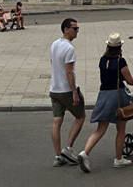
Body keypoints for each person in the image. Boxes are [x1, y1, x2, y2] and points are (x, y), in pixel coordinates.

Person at [77, 32, 133, 172]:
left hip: (103, 95)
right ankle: (119, 159)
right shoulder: (121, 61)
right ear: (120, 47)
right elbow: (130, 81)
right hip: (117, 96)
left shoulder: (102, 60)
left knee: (100, 129)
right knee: (121, 129)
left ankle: (84, 153)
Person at [50, 17, 84, 167]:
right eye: (75, 28)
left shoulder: (54, 44)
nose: (77, 31)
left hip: (54, 88)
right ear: (66, 29)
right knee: (80, 116)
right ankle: (68, 148)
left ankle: (58, 156)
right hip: (65, 90)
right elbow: (69, 72)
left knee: (57, 121)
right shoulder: (69, 49)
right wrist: (74, 92)